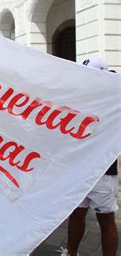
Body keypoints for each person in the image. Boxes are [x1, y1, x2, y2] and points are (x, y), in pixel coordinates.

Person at [62, 57, 118, 256]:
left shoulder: (112, 98)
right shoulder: (85, 96)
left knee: (105, 218)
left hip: (101, 171)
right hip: (81, 169)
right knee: (78, 214)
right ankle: (71, 252)